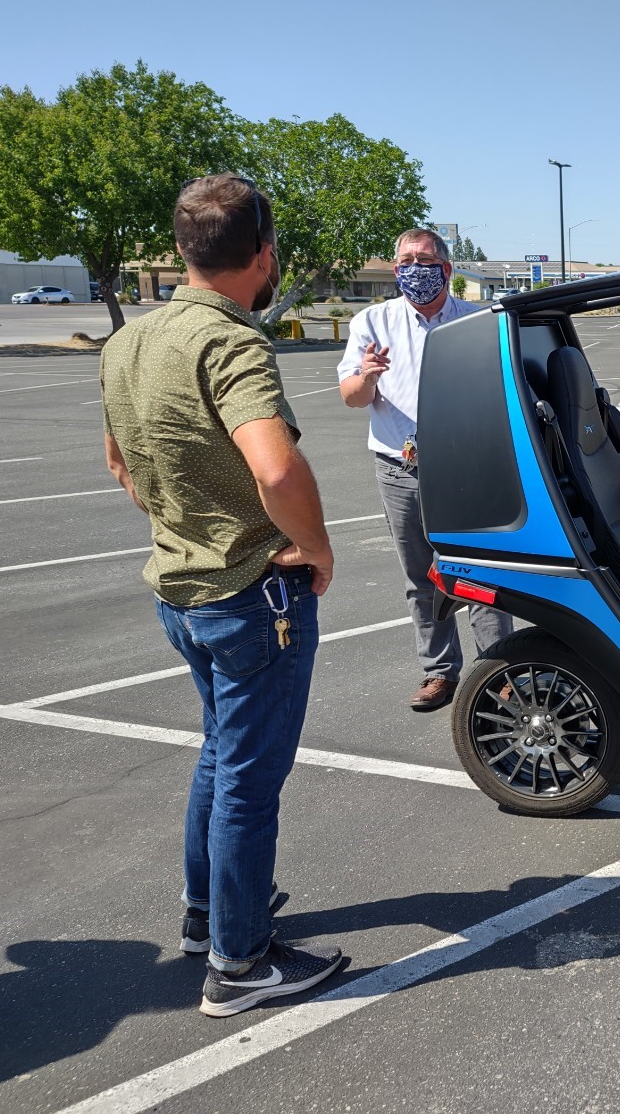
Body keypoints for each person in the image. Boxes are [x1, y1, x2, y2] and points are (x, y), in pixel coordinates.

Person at [100, 174, 344, 1017]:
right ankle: (240, 966)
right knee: (248, 778)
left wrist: (183, 521)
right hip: (249, 595)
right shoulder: (230, 342)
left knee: (218, 755)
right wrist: (313, 546)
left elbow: (122, 467)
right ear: (264, 254)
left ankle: (208, 918)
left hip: (180, 594)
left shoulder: (127, 343)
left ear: (182, 251)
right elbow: (275, 465)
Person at [338, 229, 512, 711]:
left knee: (479, 569)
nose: (415, 268)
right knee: (420, 575)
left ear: (447, 269)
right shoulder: (372, 322)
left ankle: (499, 671)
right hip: (400, 466)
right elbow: (352, 398)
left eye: (426, 259)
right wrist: (367, 376)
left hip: (465, 466)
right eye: (406, 261)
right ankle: (440, 672)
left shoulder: (477, 321)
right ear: (395, 270)